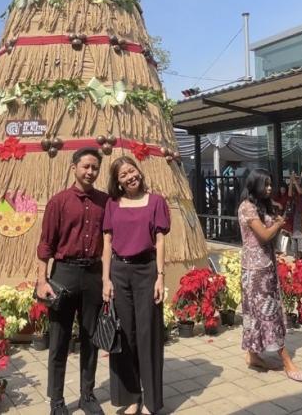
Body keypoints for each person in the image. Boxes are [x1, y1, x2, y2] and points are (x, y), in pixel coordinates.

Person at [36, 147, 107, 415]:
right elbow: (46, 244)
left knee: (91, 337)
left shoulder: (105, 202)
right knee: (59, 339)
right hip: (63, 274)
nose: (90, 172)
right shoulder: (59, 202)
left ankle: (87, 395)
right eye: (86, 166)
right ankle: (56, 400)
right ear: (74, 167)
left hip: (93, 275)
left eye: (95, 167)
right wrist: (42, 281)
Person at [101, 156, 168, 415]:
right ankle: (131, 397)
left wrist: (160, 276)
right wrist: (105, 279)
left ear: (139, 171)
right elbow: (107, 243)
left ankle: (151, 400)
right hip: (119, 272)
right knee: (124, 335)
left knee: (148, 335)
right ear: (117, 182)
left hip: (146, 271)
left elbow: (160, 241)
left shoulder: (156, 202)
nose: (130, 177)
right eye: (123, 175)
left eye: (132, 171)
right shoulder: (112, 204)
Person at [238, 169, 302, 382]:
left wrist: (275, 217)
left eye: (270, 184)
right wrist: (277, 224)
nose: (269, 188)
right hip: (255, 271)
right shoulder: (247, 207)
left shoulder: (260, 206)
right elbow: (264, 235)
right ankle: (286, 360)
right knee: (268, 314)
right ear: (254, 184)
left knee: (260, 312)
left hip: (266, 266)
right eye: (265, 184)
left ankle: (253, 355)